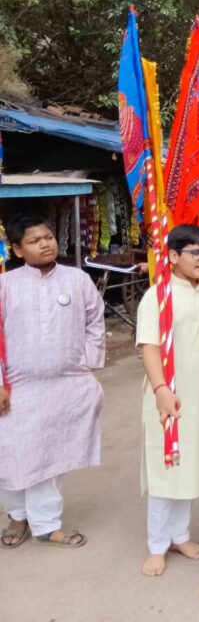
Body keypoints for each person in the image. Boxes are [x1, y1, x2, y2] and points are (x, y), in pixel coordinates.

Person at [0, 213, 104, 550]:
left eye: (48, 237)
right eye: (34, 240)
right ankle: (18, 514)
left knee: (50, 454)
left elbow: (94, 319)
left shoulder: (76, 279)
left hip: (66, 384)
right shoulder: (5, 285)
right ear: (17, 249)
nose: (45, 244)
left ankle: (46, 524)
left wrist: (88, 362)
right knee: (10, 453)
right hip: (18, 386)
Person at [137, 224, 199, 576]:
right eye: (195, 252)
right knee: (165, 467)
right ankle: (157, 544)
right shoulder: (157, 296)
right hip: (169, 395)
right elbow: (149, 347)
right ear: (172, 256)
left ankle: (179, 535)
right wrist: (160, 390)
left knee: (190, 464)